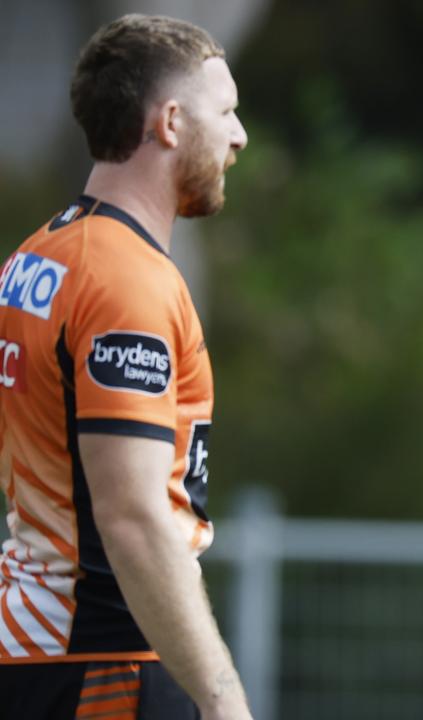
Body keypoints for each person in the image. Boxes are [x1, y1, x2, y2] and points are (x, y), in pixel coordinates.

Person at [0, 14, 252, 720]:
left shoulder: (35, 255)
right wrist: (221, 696)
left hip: (37, 647)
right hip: (108, 660)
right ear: (170, 121)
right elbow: (134, 516)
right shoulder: (125, 281)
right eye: (226, 112)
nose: (238, 136)